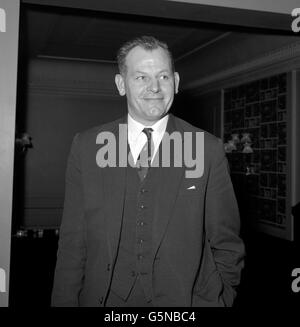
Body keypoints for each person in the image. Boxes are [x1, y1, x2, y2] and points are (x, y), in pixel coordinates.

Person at [51, 36, 245, 307]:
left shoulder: (206, 149)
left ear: (175, 82)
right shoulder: (87, 146)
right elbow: (73, 243)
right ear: (121, 84)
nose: (155, 87)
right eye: (141, 77)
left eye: (163, 76)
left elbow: (226, 243)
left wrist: (220, 299)